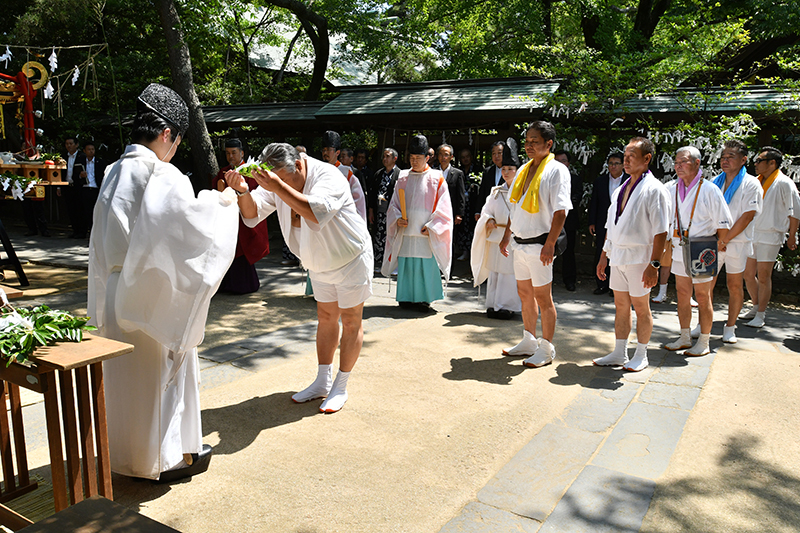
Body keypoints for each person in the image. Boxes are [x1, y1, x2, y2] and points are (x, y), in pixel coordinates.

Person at [89, 83, 240, 482]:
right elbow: (189, 229)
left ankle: (127, 457)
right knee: (160, 377)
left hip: (115, 291)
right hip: (149, 290)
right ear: (167, 134)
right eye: (176, 142)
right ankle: (164, 458)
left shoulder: (113, 170)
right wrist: (224, 202)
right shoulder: (159, 173)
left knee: (126, 381)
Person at [226, 143, 373, 413]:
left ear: (300, 165)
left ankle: (340, 385)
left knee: (351, 320)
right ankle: (322, 380)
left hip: (350, 257)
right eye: (277, 180)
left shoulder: (329, 176)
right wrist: (243, 191)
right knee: (326, 318)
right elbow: (250, 214)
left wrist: (277, 185)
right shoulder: (280, 178)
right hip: (318, 261)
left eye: (284, 179)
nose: (279, 185)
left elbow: (315, 213)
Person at [592, 137, 669, 371]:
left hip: (640, 257)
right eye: (624, 156)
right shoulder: (621, 188)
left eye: (631, 156)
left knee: (641, 306)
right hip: (618, 256)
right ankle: (619, 352)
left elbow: (661, 231)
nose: (625, 161)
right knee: (621, 305)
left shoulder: (655, 189)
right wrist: (604, 255)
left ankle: (642, 354)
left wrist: (653, 265)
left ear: (646, 159)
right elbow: (611, 226)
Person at [500, 121, 572, 368]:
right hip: (520, 243)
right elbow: (515, 206)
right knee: (524, 294)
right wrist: (506, 235)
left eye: (535, 141)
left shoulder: (557, 170)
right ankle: (528, 340)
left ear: (549, 144)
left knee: (543, 297)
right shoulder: (522, 170)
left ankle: (546, 347)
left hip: (540, 243)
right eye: (527, 141)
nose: (529, 146)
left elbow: (561, 211)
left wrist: (551, 243)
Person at [664, 146, 731, 356]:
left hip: (702, 250)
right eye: (676, 162)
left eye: (683, 161)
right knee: (682, 294)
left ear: (697, 163)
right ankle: (684, 336)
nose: (678, 166)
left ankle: (704, 341)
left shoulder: (710, 189)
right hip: (678, 246)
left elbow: (723, 226)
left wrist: (718, 250)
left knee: (703, 296)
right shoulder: (670, 188)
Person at [695, 140, 761, 342]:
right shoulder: (714, 182)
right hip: (713, 240)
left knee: (734, 285)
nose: (725, 160)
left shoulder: (751, 183)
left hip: (736, 242)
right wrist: (717, 238)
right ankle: (702, 324)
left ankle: (730, 327)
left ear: (743, 160)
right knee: (705, 285)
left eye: (731, 156)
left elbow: (747, 216)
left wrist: (726, 239)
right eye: (723, 157)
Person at [381, 135, 453, 310]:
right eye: (411, 158)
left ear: (427, 158)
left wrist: (433, 226)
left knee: (424, 266)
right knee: (406, 264)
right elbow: (393, 205)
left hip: (424, 230)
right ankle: (406, 296)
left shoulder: (437, 178)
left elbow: (445, 208)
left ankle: (424, 298)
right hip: (406, 231)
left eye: (418, 158)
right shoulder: (403, 177)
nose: (414, 161)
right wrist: (397, 218)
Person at [742, 146, 800, 328]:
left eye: (759, 161)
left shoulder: (784, 183)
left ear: (772, 163)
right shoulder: (756, 181)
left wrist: (792, 235)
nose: (756, 164)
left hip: (771, 234)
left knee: (764, 275)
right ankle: (756, 305)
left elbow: (795, 212)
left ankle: (761, 314)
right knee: (748, 274)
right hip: (753, 232)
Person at [211, 138, 270, 294]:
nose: (231, 156)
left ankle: (244, 285)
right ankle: (227, 284)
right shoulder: (223, 171)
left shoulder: (252, 171)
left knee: (243, 250)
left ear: (242, 153)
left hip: (245, 217)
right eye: (228, 153)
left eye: (234, 153)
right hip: (228, 217)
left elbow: (258, 195)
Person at [471, 140, 522, 319]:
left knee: (508, 274)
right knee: (494, 272)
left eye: (510, 169)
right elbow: (486, 209)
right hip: (495, 236)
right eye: (504, 169)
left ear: (517, 171)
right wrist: (489, 219)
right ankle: (493, 304)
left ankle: (507, 306)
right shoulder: (495, 191)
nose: (506, 172)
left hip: (512, 238)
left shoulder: (523, 192)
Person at [588, 153, 627, 295]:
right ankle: (602, 284)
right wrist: (592, 221)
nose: (613, 166)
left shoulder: (629, 181)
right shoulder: (600, 181)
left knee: (618, 252)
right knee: (601, 251)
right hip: (601, 222)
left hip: (622, 222)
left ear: (623, 165)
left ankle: (614, 286)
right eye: (611, 163)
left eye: (617, 163)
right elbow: (594, 202)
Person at [554, 149, 583, 291]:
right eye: (557, 161)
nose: (560, 164)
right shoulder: (548, 178)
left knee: (569, 252)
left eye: (563, 161)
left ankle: (569, 280)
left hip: (569, 220)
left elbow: (577, 197)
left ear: (568, 163)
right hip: (550, 220)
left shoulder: (575, 179)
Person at [322, 131, 366, 220]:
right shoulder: (318, 171)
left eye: (329, 150)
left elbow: (358, 202)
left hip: (342, 219)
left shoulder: (346, 174)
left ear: (337, 152)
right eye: (324, 150)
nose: (325, 153)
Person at [370, 148, 400, 273]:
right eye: (384, 156)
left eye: (387, 156)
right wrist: (371, 210)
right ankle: (381, 264)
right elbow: (372, 194)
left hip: (393, 211)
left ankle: (394, 264)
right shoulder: (379, 174)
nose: (384, 159)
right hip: (380, 211)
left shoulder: (400, 174)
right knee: (379, 237)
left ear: (395, 158)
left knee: (393, 237)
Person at [438, 144, 466, 268]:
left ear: (451, 157)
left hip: (451, 211)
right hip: (436, 211)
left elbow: (461, 195)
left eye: (446, 154)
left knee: (450, 241)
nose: (443, 157)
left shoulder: (457, 173)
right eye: (441, 154)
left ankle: (449, 268)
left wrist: (459, 214)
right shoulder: (433, 172)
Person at [61, 136, 87, 238]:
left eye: (71, 143)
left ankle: (82, 231)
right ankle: (75, 230)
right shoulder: (63, 157)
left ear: (76, 145)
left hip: (79, 186)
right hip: (67, 185)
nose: (69, 146)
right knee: (71, 209)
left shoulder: (82, 156)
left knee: (80, 209)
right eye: (67, 144)